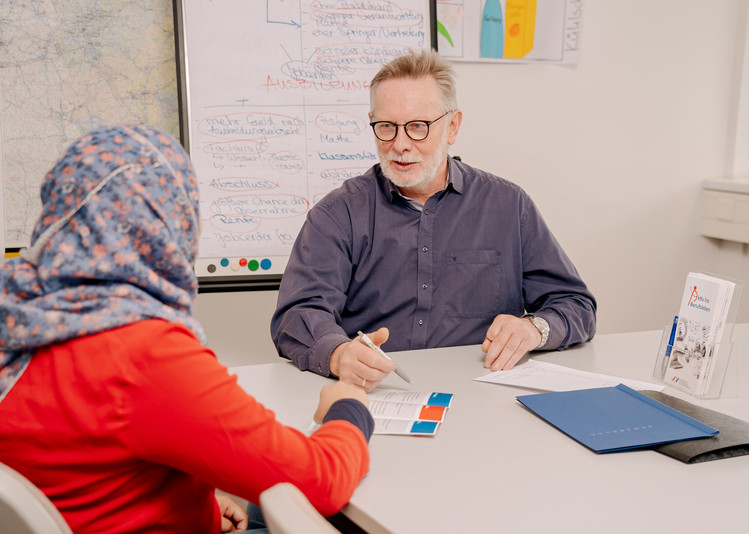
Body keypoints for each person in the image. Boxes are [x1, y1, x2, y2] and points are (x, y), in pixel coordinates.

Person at [0, 124, 373, 533]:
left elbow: (85, 464)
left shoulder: (17, 311)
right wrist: (347, 409)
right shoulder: (141, 353)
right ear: (168, 223)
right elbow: (322, 482)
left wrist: (201, 492)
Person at [272, 49, 597, 392]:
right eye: (386, 127)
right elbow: (297, 315)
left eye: (417, 127)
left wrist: (535, 329)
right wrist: (338, 354)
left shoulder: (508, 206)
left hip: (483, 397)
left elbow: (576, 305)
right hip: (377, 393)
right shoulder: (338, 214)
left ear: (452, 126)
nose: (400, 145)